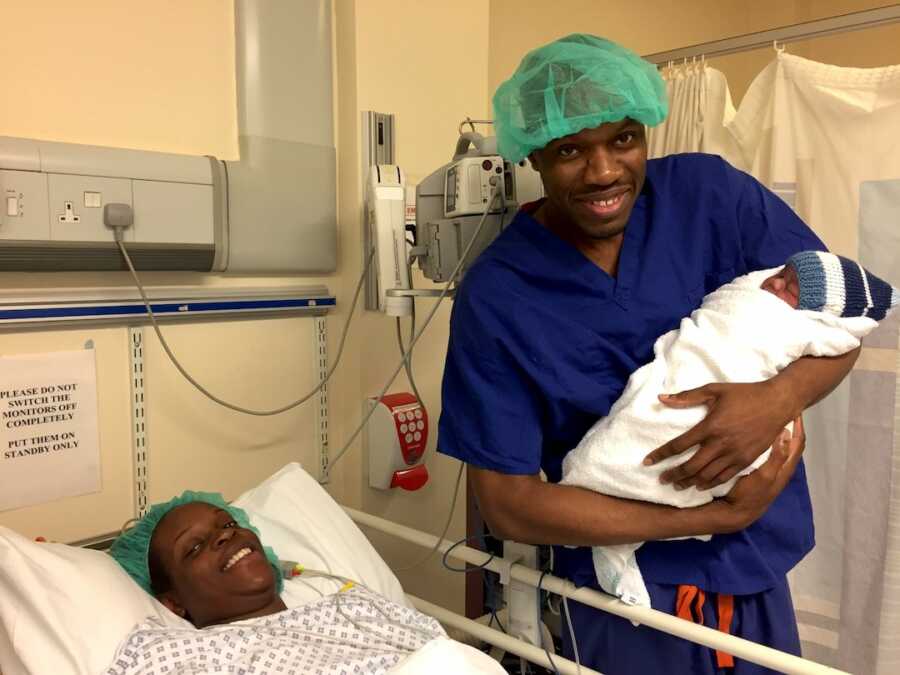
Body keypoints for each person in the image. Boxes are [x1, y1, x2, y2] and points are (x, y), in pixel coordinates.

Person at [438, 34, 860, 673]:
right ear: (536, 156)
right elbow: (508, 503)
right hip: (622, 590)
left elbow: (844, 316)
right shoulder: (499, 295)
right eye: (571, 149)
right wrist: (716, 516)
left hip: (755, 561)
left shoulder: (711, 197)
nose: (604, 171)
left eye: (624, 139)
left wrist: (776, 399)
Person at [560, 250, 899, 607]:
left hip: (746, 548)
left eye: (791, 289)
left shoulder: (805, 326)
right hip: (678, 378)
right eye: (782, 274)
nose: (776, 283)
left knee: (676, 454)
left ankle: (608, 501)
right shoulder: (752, 293)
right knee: (643, 421)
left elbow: (846, 338)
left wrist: (779, 397)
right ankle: (602, 496)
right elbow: (715, 320)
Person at [106, 492, 454, 674]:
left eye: (227, 524)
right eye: (194, 547)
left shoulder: (355, 606)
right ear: (173, 603)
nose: (224, 537)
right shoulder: (170, 655)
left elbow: (452, 657)